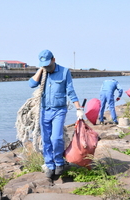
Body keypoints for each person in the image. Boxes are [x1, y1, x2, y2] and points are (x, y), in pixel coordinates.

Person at [28, 49, 84, 178]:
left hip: (59, 110)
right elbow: (31, 84)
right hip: (45, 110)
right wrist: (40, 70)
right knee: (46, 139)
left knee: (56, 138)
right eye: (44, 65)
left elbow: (71, 91)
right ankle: (50, 165)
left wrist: (78, 109)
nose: (47, 67)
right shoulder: (43, 73)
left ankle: (59, 162)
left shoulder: (64, 72)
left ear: (54, 60)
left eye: (48, 64)